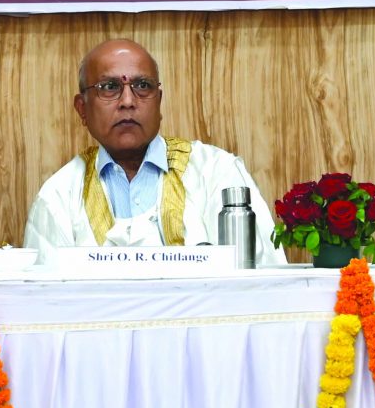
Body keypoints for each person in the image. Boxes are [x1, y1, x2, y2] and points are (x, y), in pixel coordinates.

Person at [21, 38, 279, 260]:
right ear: (82, 109)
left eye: (142, 86)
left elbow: (262, 285)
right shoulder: (59, 195)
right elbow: (45, 303)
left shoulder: (216, 173)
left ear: (159, 101)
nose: (128, 101)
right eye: (109, 87)